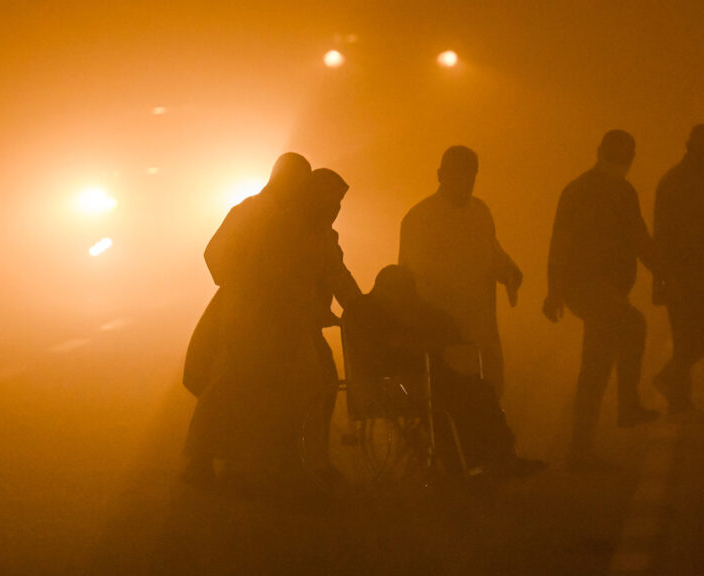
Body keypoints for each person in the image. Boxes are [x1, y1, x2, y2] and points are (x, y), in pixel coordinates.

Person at [183, 152, 327, 488]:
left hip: (269, 315)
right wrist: (249, 283)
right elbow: (215, 254)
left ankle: (239, 463)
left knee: (254, 391)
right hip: (246, 314)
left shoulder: (287, 216)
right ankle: (200, 460)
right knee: (228, 385)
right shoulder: (251, 210)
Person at [343, 265, 543, 479]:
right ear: (388, 288)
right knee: (453, 400)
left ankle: (497, 458)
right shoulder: (363, 311)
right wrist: (412, 342)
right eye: (404, 290)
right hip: (392, 384)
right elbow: (377, 352)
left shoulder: (407, 308)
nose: (409, 295)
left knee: (479, 390)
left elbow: (443, 325)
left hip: (426, 377)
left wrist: (433, 336)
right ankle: (469, 464)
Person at [543, 130, 661, 470]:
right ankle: (627, 406)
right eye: (615, 157)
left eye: (624, 159)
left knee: (594, 367)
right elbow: (560, 244)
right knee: (633, 325)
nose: (619, 165)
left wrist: (663, 272)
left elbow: (640, 239)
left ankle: (579, 449)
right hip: (585, 286)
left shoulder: (622, 192)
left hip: (607, 290)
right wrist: (555, 290)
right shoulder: (579, 192)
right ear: (600, 153)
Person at [399, 145, 522, 399]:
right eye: (458, 173)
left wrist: (510, 272)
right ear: (440, 175)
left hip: (483, 332)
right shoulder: (419, 219)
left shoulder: (480, 212)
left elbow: (493, 254)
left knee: (489, 397)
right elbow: (408, 279)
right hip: (443, 335)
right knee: (451, 403)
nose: (466, 181)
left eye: (471, 174)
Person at [652, 125, 704, 413]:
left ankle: (675, 387)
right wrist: (664, 278)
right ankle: (678, 396)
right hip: (683, 273)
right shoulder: (676, 182)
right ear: (693, 149)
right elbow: (662, 234)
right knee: (692, 334)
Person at [302, 168, 362, 481]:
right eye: (333, 200)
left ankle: (312, 460)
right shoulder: (294, 233)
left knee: (323, 385)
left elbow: (339, 276)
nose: (337, 208)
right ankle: (311, 464)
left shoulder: (324, 235)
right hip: (283, 329)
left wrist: (362, 308)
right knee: (317, 387)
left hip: (302, 328)